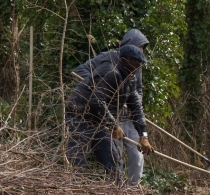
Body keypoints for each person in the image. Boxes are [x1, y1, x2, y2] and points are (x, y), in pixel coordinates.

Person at [66, 45, 154, 184]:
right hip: (80, 115)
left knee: (112, 160)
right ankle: (73, 193)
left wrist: (143, 136)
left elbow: (136, 108)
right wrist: (113, 125)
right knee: (77, 159)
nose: (139, 67)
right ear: (128, 60)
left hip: (100, 120)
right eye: (138, 63)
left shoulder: (130, 78)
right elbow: (97, 101)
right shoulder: (110, 71)